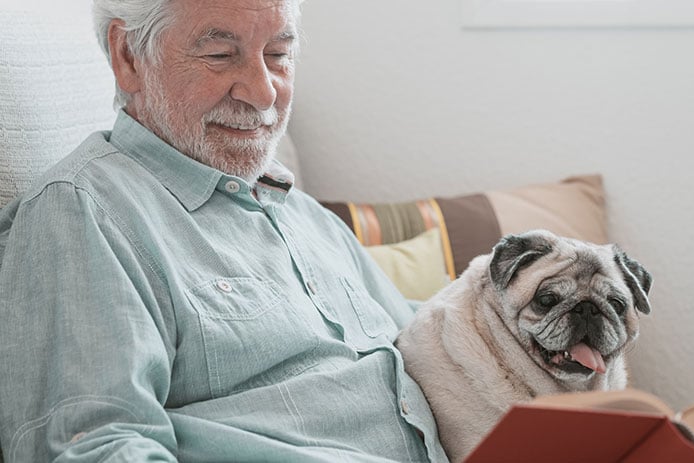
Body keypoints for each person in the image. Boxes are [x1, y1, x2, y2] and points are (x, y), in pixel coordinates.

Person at [0, 0, 449, 461]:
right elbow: (95, 446)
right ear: (129, 57)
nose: (263, 93)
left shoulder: (300, 211)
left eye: (277, 55)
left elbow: (423, 344)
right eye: (219, 55)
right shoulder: (82, 213)